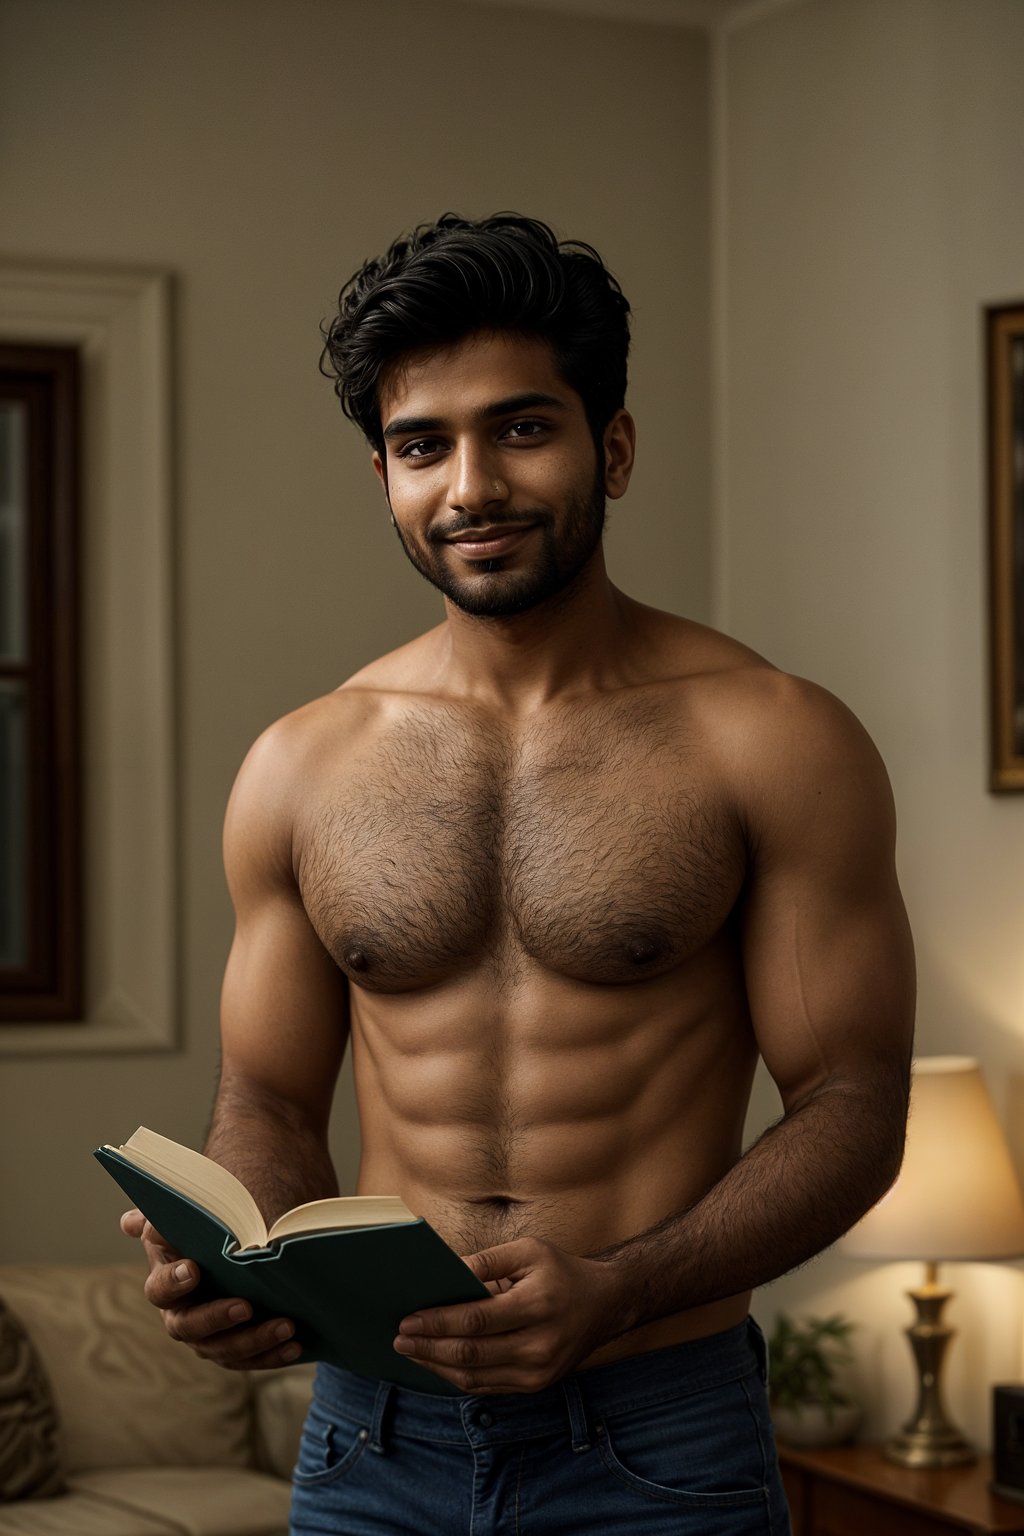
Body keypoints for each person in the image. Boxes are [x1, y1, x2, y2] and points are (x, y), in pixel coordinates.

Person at [123, 213, 915, 1535]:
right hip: (370, 1436)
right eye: (423, 446)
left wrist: (621, 1287)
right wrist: (245, 1262)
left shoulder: (771, 736)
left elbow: (852, 1103)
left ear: (612, 446)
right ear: (382, 474)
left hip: (654, 1431)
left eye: (522, 428)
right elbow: (265, 1096)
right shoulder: (300, 765)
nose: (470, 486)